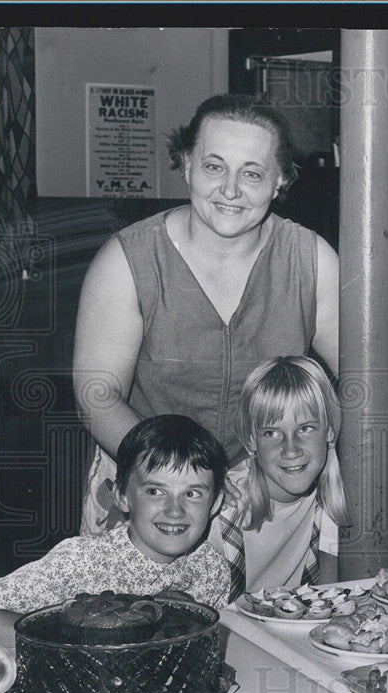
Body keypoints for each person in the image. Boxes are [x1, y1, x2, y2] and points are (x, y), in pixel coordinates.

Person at [74, 94, 339, 536]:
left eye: (252, 174)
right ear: (187, 165)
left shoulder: (312, 260)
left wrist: (309, 455)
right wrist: (184, 476)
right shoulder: (125, 260)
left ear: (280, 182)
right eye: (214, 167)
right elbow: (96, 398)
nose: (230, 190)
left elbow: (364, 379)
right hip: (149, 483)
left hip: (259, 489)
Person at [0, 415, 231, 647]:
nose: (175, 510)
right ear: (121, 496)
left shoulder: (212, 568)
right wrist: (70, 645)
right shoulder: (82, 559)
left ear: (215, 502)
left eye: (192, 493)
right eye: (155, 491)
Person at [208, 356, 350, 600]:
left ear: (328, 431)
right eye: (272, 433)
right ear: (252, 441)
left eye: (305, 428)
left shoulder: (332, 494)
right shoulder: (224, 507)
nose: (291, 449)